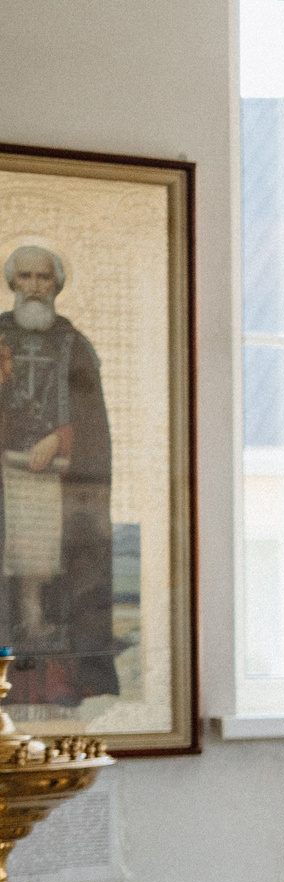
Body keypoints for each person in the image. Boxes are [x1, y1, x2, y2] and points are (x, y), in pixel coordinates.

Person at [0, 243, 117, 706]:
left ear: (56, 285)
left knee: (63, 571)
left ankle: (60, 683)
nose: (33, 287)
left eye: (42, 278)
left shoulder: (75, 344)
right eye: (24, 277)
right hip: (3, 486)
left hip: (58, 485)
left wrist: (61, 439)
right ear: (11, 283)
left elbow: (93, 425)